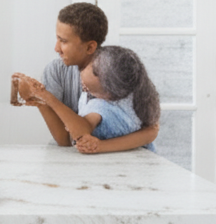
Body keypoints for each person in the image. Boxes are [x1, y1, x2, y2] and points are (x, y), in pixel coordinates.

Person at [12, 2, 158, 149]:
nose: (56, 48)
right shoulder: (55, 70)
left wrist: (101, 146)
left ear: (90, 47)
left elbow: (151, 130)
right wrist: (38, 99)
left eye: (63, 41)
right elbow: (64, 140)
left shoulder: (117, 68)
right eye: (57, 39)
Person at [23, 46, 160, 153]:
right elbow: (152, 131)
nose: (82, 74)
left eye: (88, 88)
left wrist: (47, 97)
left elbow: (75, 135)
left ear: (108, 93)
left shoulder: (100, 106)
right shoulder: (134, 93)